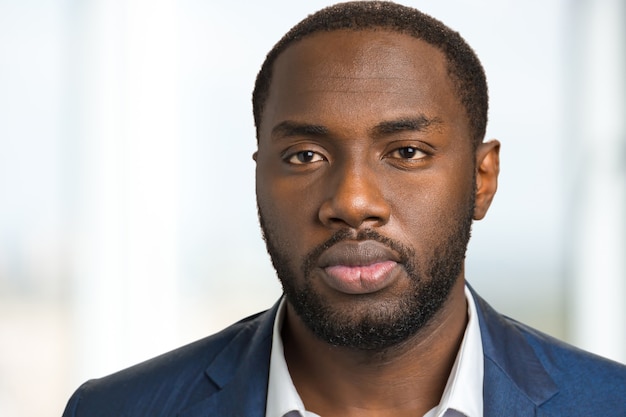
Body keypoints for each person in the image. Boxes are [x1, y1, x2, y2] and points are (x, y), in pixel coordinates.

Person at [62, 2, 626, 416]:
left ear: (482, 180)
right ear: (259, 176)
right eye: (305, 155)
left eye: (406, 152)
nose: (353, 202)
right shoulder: (116, 409)